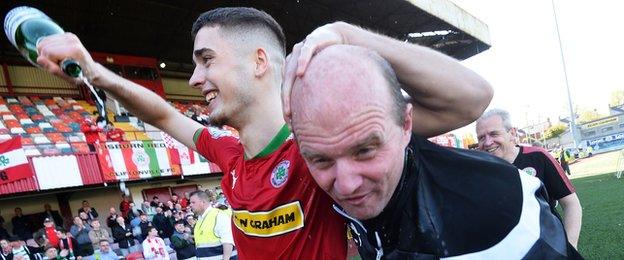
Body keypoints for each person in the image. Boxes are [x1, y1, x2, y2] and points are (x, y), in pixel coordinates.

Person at [37, 7, 491, 259]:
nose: (195, 79)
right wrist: (95, 73)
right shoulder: (230, 156)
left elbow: (468, 100)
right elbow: (163, 116)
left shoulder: (316, 150)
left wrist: (347, 35)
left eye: (206, 59)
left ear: (259, 62)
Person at [283, 35, 580, 258]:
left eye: (365, 150)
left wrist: (346, 33)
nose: (346, 186)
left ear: (406, 125)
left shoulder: (501, 214)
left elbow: (474, 94)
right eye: (321, 160)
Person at [476, 108, 583, 248]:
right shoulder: (478, 168)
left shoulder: (538, 157)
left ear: (512, 133)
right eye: (481, 137)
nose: (488, 142)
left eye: (494, 134)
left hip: (547, 246)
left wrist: (570, 246)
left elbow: (571, 204)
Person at [188, 191, 235, 259]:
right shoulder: (200, 219)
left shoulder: (218, 215)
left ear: (203, 202)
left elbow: (228, 242)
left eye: (193, 202)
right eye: (190, 203)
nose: (190, 205)